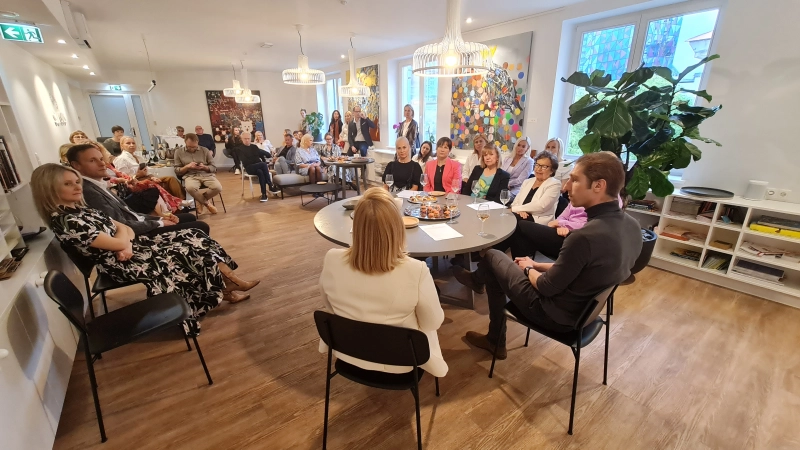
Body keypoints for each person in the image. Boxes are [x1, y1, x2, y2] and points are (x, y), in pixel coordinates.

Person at [452, 151, 643, 359]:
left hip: (553, 314)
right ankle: (487, 312)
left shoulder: (583, 238)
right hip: (586, 314)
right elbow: (582, 271)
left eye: (575, 180)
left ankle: (494, 335)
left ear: (599, 185)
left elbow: (545, 287)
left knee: (492, 256)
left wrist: (527, 268)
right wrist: (536, 265)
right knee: (505, 257)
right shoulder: (633, 227)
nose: (566, 186)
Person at [32, 164, 259, 333]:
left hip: (131, 251)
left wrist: (124, 241)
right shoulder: (67, 222)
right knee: (188, 247)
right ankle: (224, 288)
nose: (77, 187)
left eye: (76, 182)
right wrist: (124, 242)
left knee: (194, 235)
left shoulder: (81, 211)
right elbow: (120, 238)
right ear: (49, 189)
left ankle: (228, 283)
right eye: (67, 184)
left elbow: (123, 228)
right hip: (123, 264)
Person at [318, 187, 447, 377]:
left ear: (356, 226)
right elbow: (432, 322)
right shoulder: (416, 270)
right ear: (397, 228)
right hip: (400, 361)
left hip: (347, 352)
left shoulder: (332, 259)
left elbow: (329, 306)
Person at [67, 144, 210, 236]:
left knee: (190, 217)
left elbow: (131, 214)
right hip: (135, 235)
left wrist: (160, 218)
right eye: (92, 160)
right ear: (76, 165)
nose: (102, 164)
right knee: (200, 226)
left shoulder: (97, 184)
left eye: (101, 159)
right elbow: (120, 225)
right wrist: (159, 223)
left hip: (137, 223)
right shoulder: (88, 191)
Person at [112, 136, 185, 199]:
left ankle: (182, 201)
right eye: (128, 143)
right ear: (122, 145)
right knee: (160, 184)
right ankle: (178, 203)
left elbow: (147, 171)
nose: (132, 145)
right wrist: (138, 175)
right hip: (136, 182)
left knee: (171, 179)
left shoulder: (139, 157)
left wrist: (152, 177)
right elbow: (123, 178)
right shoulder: (121, 159)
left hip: (147, 178)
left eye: (133, 143)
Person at [173, 133, 222, 215]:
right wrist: (187, 167)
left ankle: (199, 201)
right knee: (190, 188)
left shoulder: (205, 150)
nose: (192, 149)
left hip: (206, 174)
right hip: (190, 175)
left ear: (197, 142)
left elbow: (213, 167)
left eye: (194, 147)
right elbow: (177, 170)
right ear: (185, 142)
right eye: (189, 147)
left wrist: (204, 167)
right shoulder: (178, 152)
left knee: (218, 188)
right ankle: (207, 203)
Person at [509, 151, 561, 224]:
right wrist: (519, 211)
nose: (538, 169)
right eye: (537, 165)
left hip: (538, 220)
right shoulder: (527, 181)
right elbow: (516, 202)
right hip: (521, 215)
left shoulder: (554, 184)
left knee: (510, 218)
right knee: (506, 216)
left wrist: (516, 209)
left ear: (552, 170)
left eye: (544, 167)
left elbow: (541, 206)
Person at [235, 132, 279, 202]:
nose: (247, 140)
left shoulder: (254, 147)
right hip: (249, 168)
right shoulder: (239, 149)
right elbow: (246, 161)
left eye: (248, 138)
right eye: (245, 139)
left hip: (258, 167)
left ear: (251, 139)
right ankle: (270, 185)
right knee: (263, 165)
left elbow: (265, 154)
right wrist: (258, 161)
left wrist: (269, 155)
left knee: (260, 172)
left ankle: (264, 194)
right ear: (242, 139)